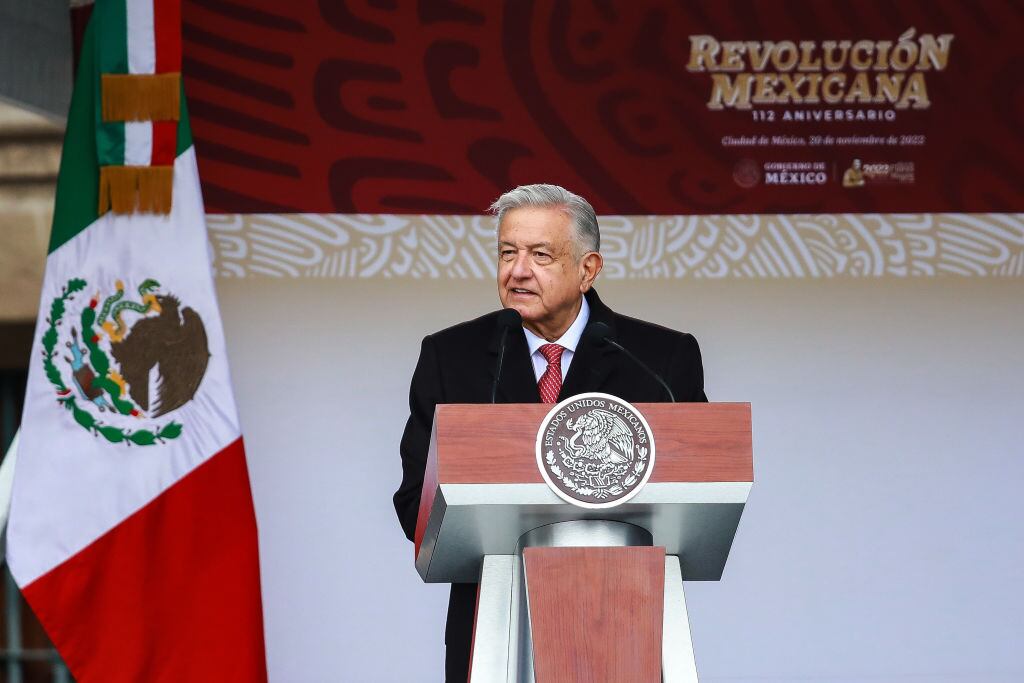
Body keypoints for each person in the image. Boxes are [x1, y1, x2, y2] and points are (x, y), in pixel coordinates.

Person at [393, 183, 707, 681]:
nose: (518, 270)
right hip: (493, 625)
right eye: (507, 253)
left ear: (588, 269)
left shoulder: (659, 360)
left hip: (621, 618)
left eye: (540, 254)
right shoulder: (451, 357)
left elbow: (697, 488)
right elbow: (416, 502)